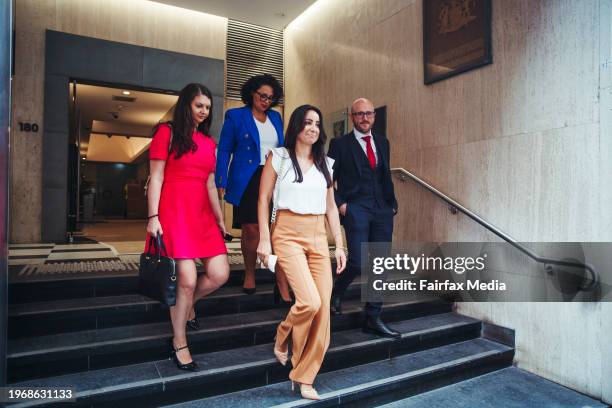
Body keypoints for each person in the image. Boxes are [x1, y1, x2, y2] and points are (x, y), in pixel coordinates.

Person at [257, 104, 347, 400]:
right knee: (308, 302)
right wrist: (264, 241)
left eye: (317, 124)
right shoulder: (279, 157)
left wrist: (340, 244)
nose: (313, 128)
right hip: (287, 233)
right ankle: (282, 336)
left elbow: (331, 207)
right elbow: (263, 199)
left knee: (323, 312)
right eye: (307, 122)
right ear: (296, 126)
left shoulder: (326, 164)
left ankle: (305, 376)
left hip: (318, 237)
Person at [146, 83, 230, 371]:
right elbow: (156, 177)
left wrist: (220, 219)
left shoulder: (209, 144)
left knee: (220, 273)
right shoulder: (165, 133)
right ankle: (179, 341)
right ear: (186, 105)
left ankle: (185, 304)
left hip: (202, 215)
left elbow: (209, 184)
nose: (204, 112)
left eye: (207, 107)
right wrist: (152, 217)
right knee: (187, 279)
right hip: (174, 213)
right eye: (199, 106)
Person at [328, 97, 400, 338]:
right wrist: (341, 205)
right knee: (357, 262)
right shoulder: (339, 144)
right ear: (352, 117)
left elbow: (384, 175)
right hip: (355, 208)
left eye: (369, 113)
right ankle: (336, 291)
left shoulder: (383, 142)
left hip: (382, 210)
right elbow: (327, 180)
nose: (365, 118)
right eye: (360, 114)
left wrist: (392, 204)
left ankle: (373, 316)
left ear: (374, 116)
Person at [216, 74, 291, 302]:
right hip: (248, 177)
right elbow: (225, 150)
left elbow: (284, 148)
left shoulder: (276, 118)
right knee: (251, 229)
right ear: (252, 93)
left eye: (271, 97)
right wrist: (221, 179)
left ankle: (281, 279)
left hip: (274, 176)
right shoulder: (236, 116)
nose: (266, 101)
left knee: (275, 227)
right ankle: (250, 272)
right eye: (262, 96)